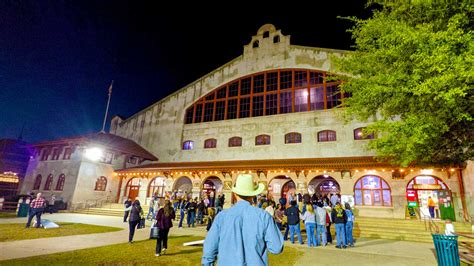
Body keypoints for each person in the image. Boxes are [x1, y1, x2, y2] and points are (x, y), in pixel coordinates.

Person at [202, 174, 283, 265]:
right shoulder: (264, 216)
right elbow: (276, 247)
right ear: (253, 195)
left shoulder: (222, 217)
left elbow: (209, 249)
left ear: (235, 194)